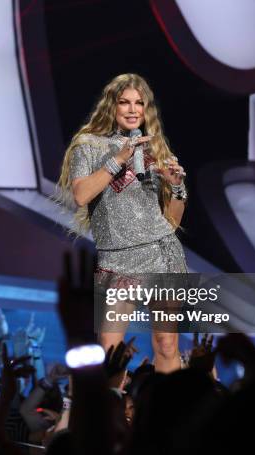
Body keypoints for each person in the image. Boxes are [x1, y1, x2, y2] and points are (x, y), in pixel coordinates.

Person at [57, 73, 188, 373]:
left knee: (167, 345)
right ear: (111, 106)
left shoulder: (155, 148)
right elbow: (80, 195)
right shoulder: (88, 144)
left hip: (162, 254)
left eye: (139, 103)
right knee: (109, 349)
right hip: (117, 261)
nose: (132, 110)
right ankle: (111, 413)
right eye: (124, 102)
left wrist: (177, 187)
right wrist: (118, 160)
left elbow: (172, 223)